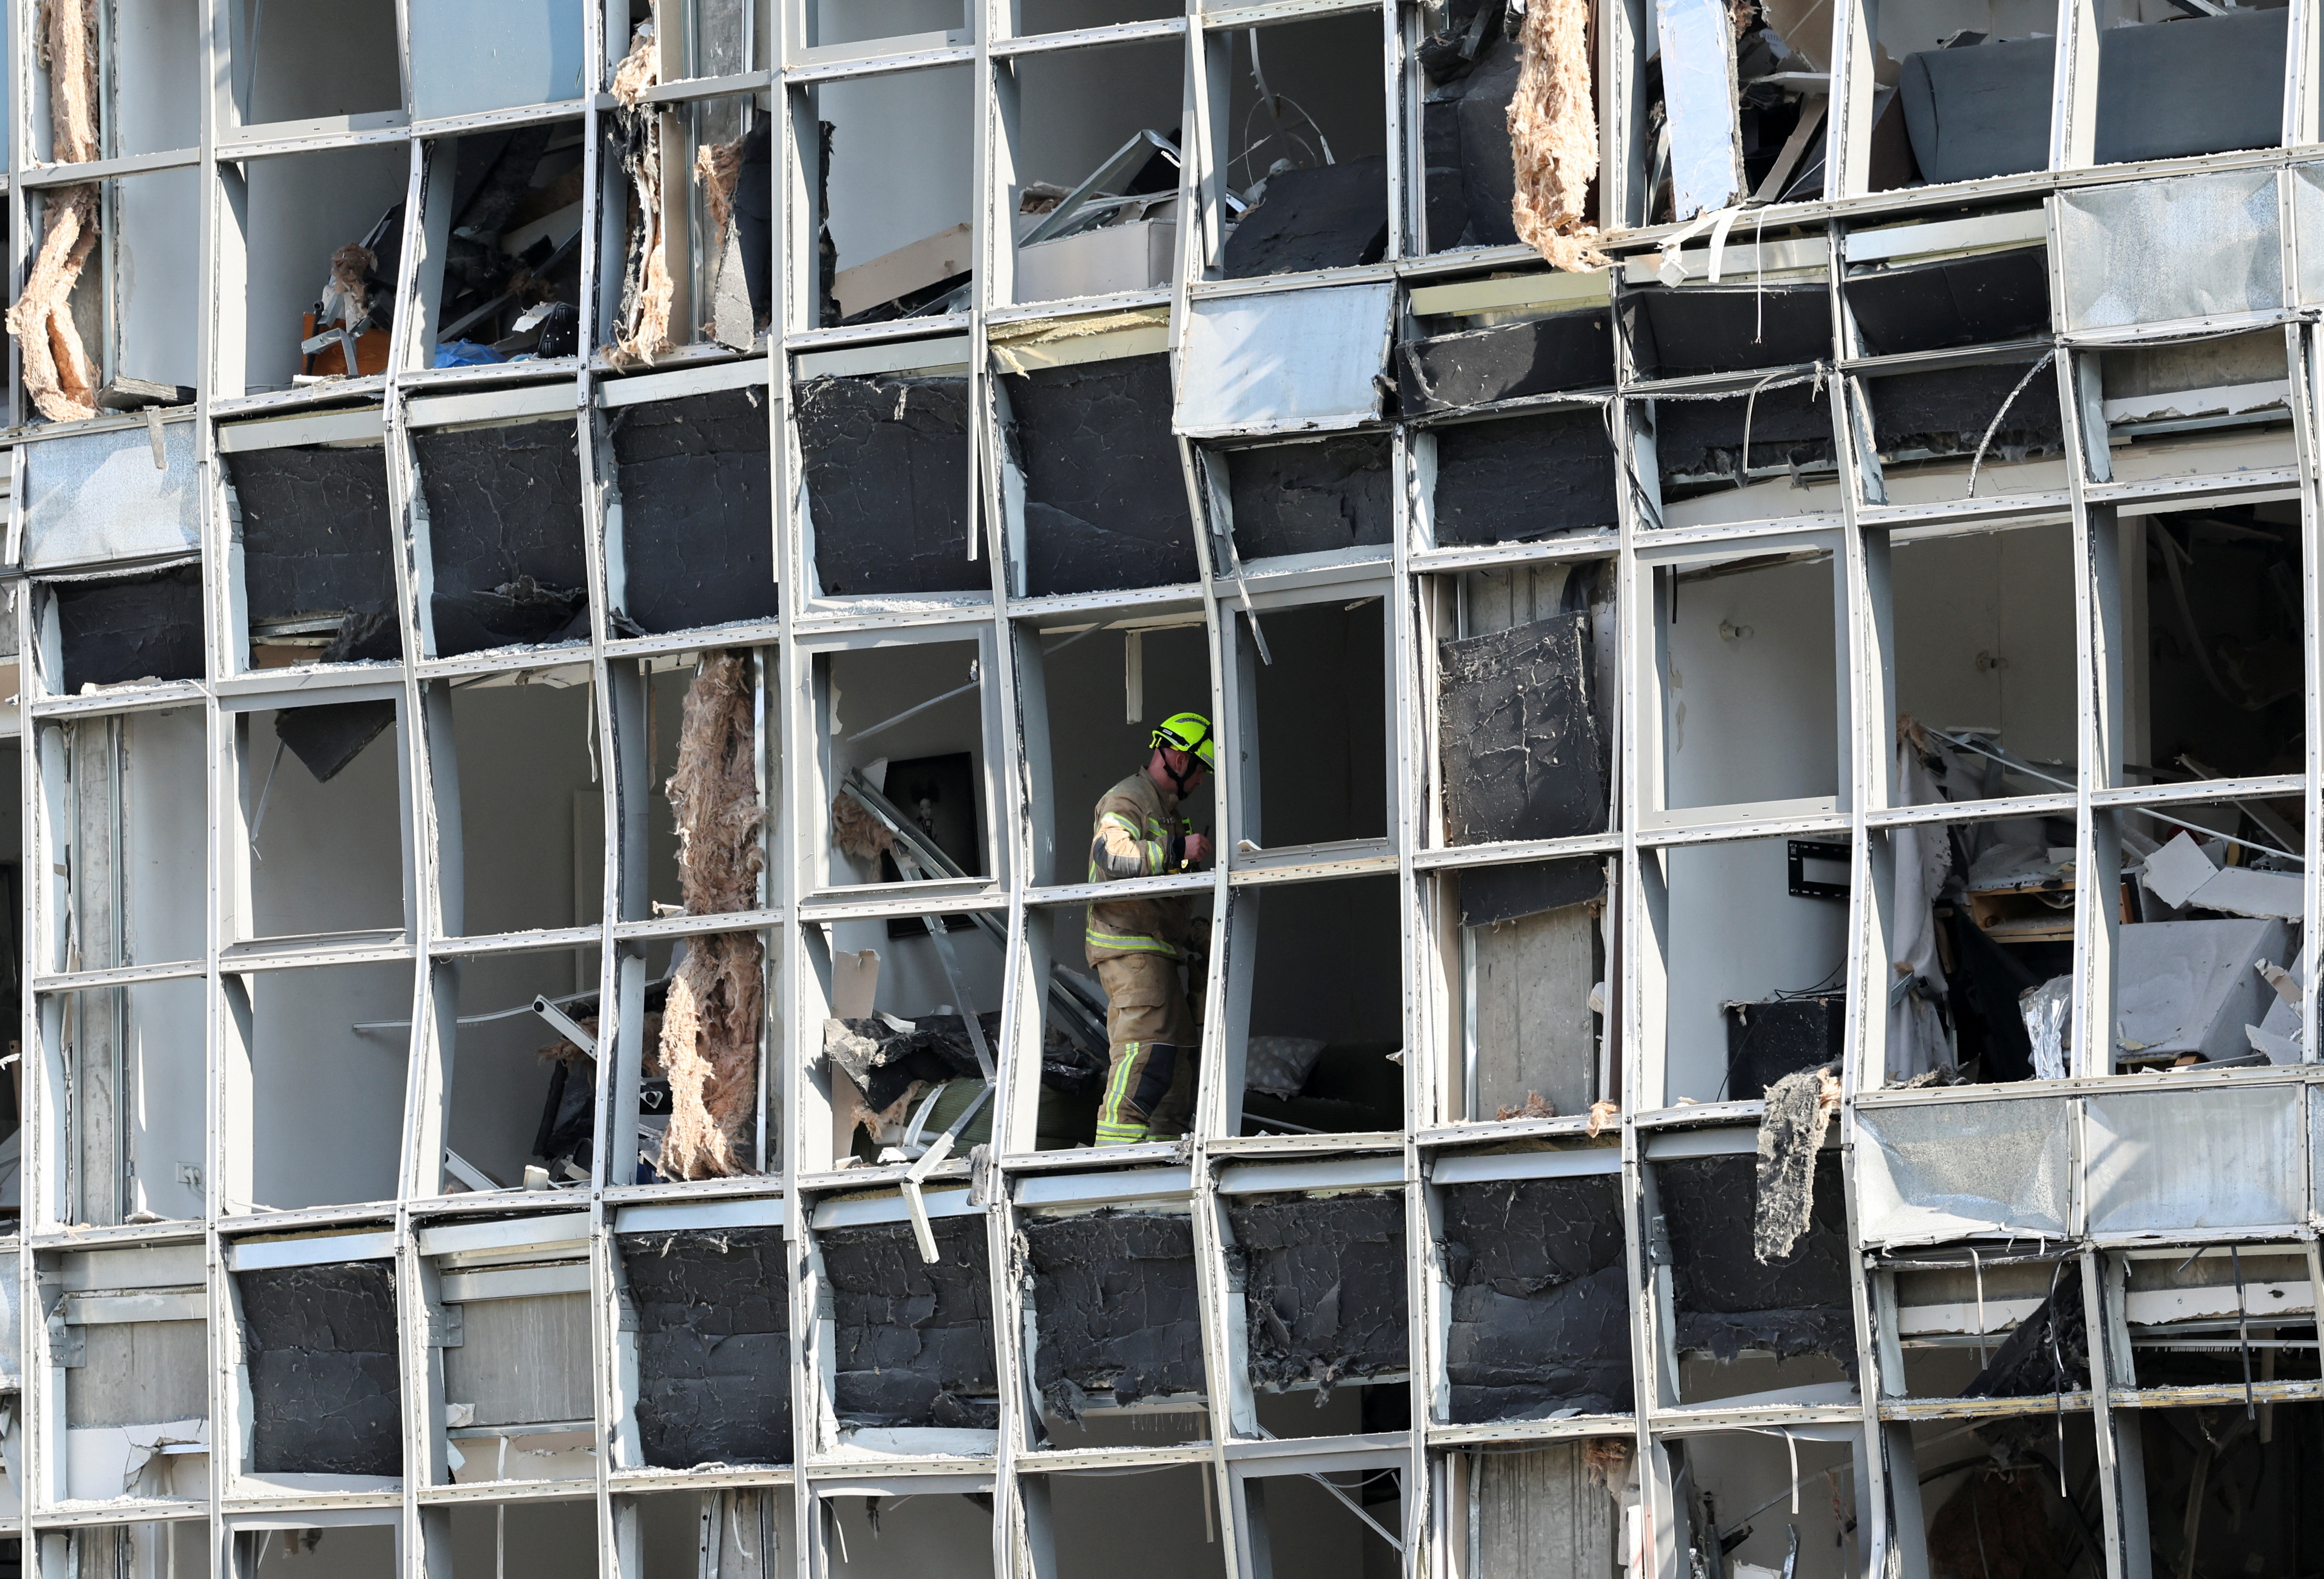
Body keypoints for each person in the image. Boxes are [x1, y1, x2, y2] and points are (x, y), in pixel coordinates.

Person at [1085, 712, 1215, 1146]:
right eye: (1201, 771)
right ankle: (1113, 1168)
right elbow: (1112, 857)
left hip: (1157, 954)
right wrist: (1178, 848)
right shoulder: (1129, 798)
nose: (1201, 783)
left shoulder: (1167, 811)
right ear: (1179, 759)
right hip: (1132, 953)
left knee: (1173, 1072)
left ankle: (1156, 1174)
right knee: (1144, 1057)